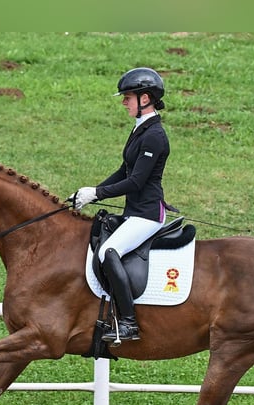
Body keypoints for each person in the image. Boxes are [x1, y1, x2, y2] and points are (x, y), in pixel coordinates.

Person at [69, 67, 175, 343]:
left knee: (108, 251)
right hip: (135, 212)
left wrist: (98, 194)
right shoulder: (141, 129)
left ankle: (128, 323)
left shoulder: (155, 135)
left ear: (145, 99)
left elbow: (136, 181)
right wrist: (90, 191)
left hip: (148, 214)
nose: (123, 102)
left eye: (128, 97)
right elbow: (124, 170)